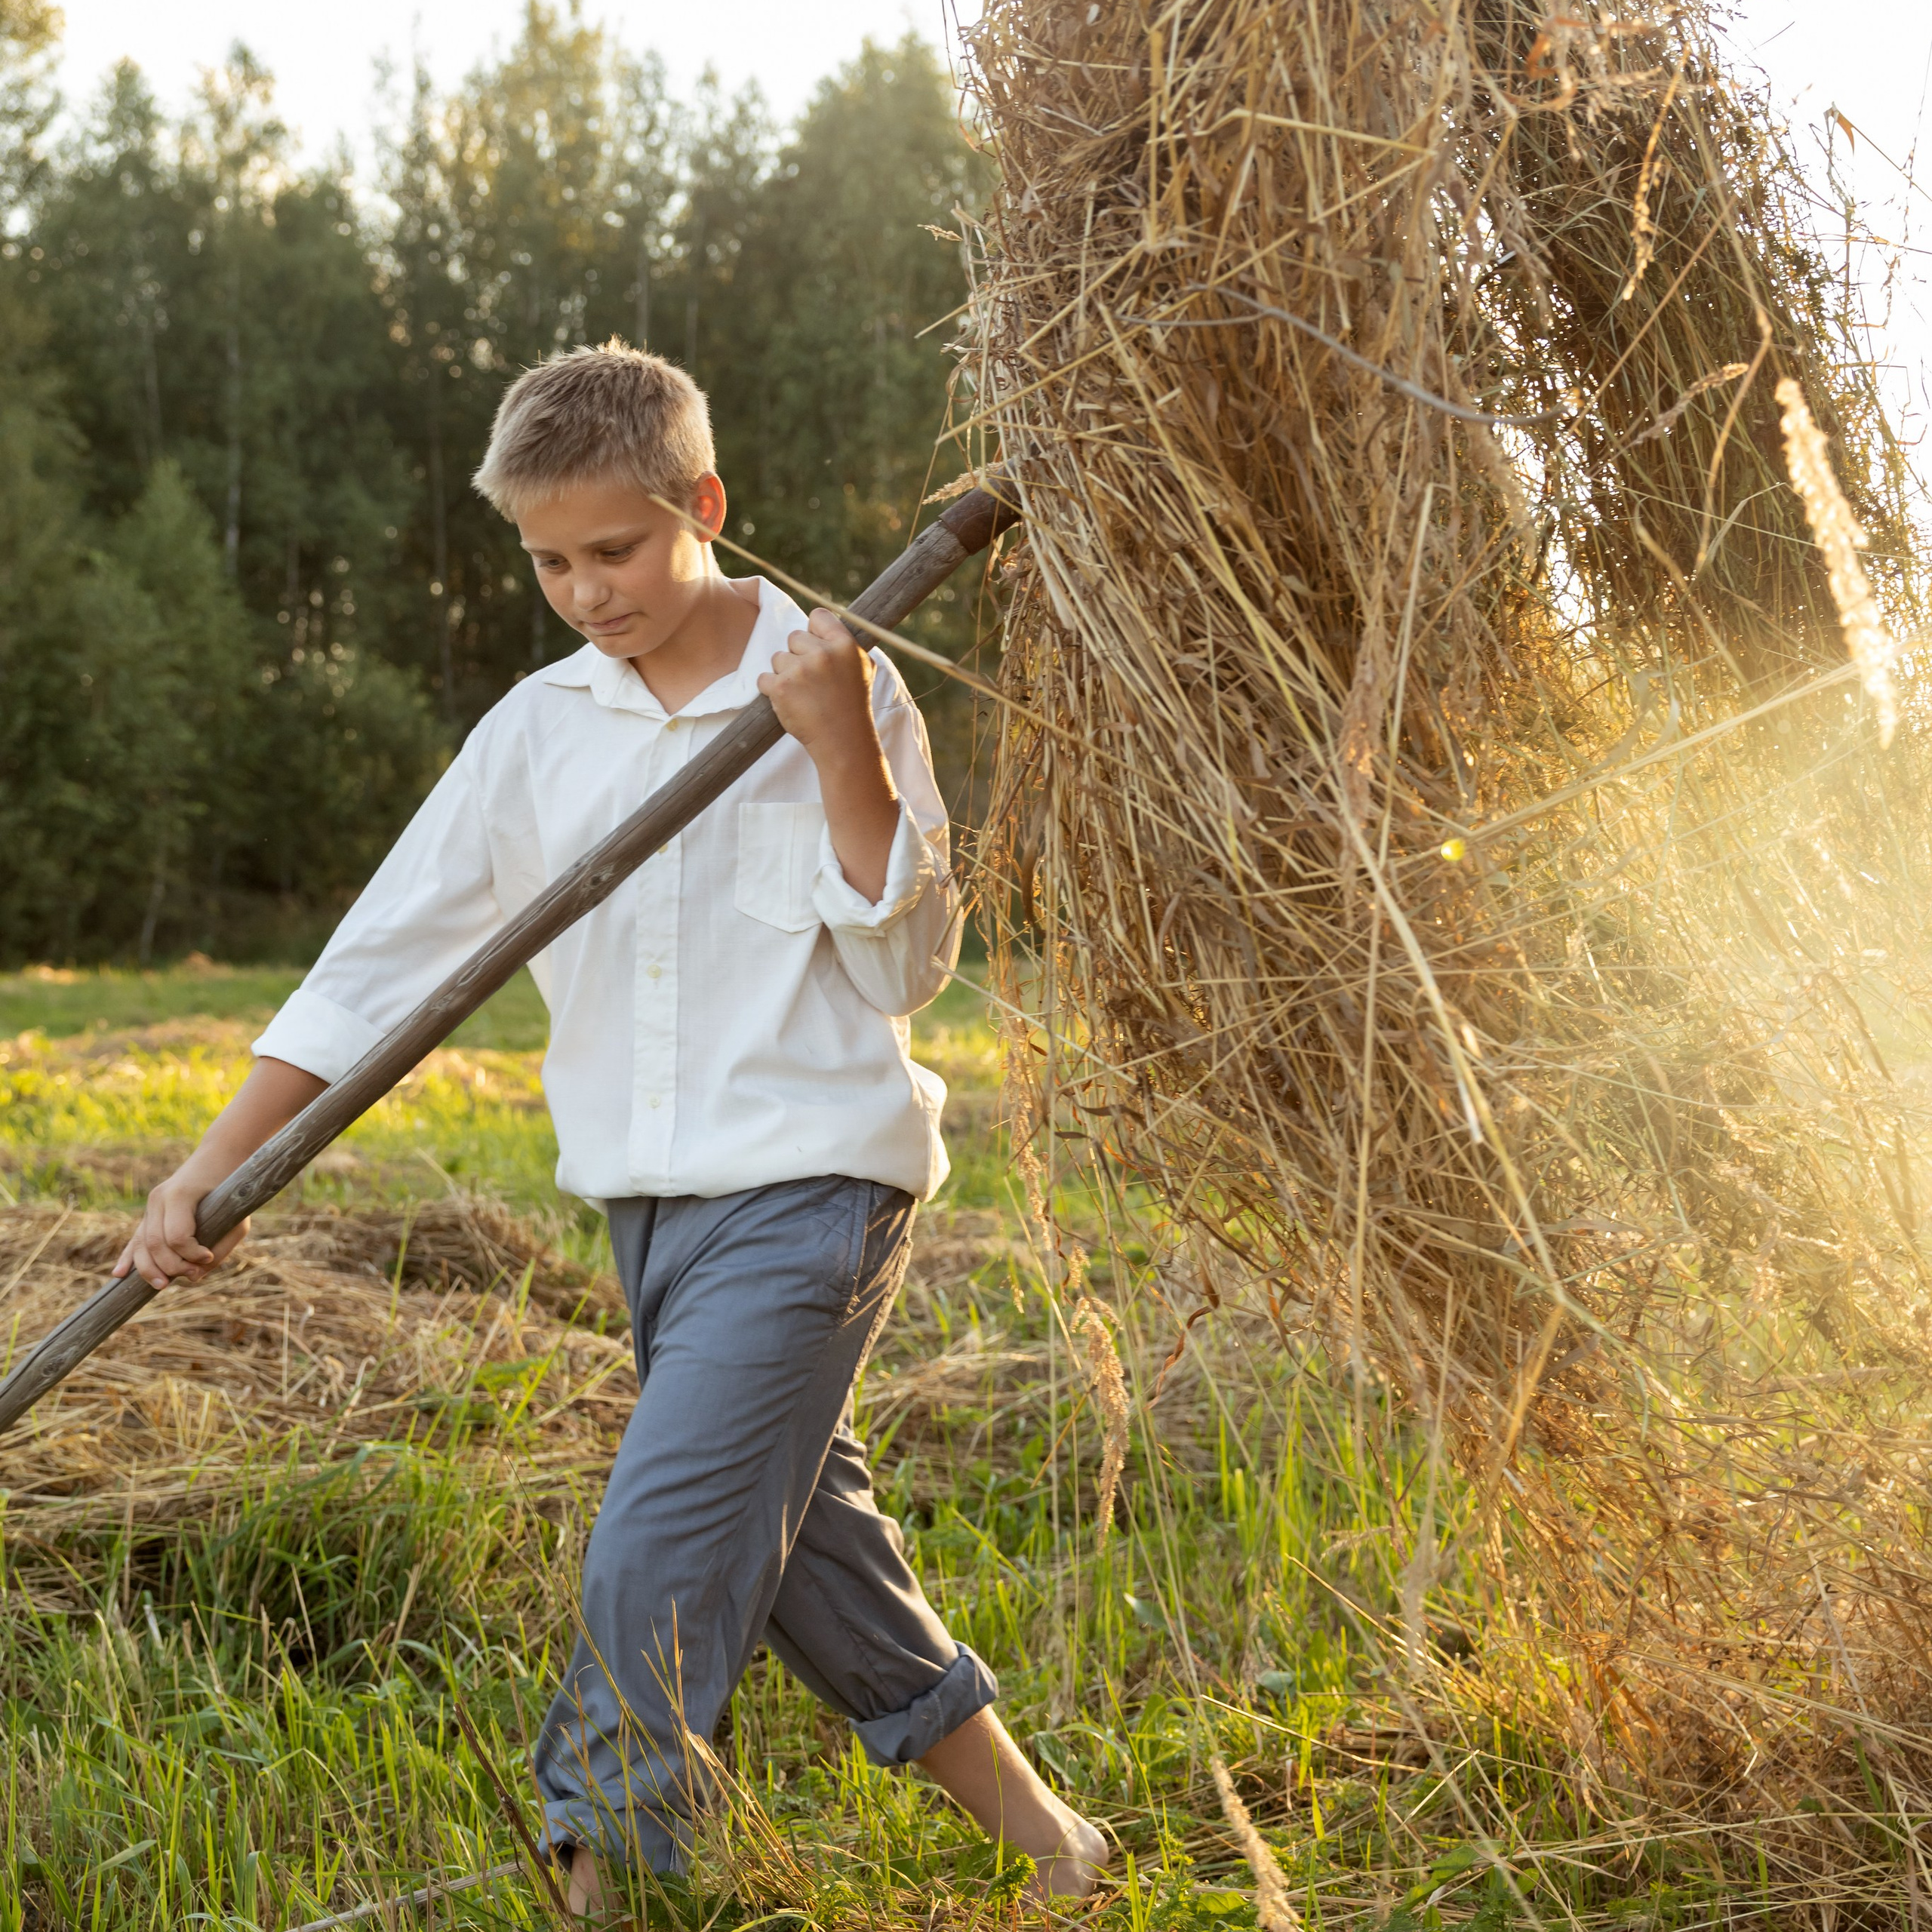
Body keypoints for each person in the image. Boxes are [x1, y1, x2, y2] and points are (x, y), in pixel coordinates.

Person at [114, 340, 1109, 1920]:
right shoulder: (532, 733)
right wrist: (207, 1170)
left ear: (703, 504)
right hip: (649, 1219)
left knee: (655, 1548)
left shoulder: (833, 674)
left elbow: (912, 962)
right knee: (797, 1555)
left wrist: (836, 744)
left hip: (814, 1191)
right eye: (550, 560)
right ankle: (1061, 1846)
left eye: (617, 547)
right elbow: (372, 963)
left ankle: (600, 1876)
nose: (586, 588)